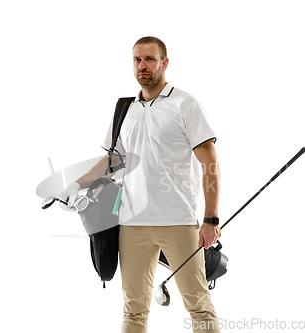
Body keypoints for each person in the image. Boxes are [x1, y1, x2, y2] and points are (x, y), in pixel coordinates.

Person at [60, 36, 222, 333]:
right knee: (134, 310)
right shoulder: (125, 109)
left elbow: (210, 164)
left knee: (198, 305)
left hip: (178, 223)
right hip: (131, 224)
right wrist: (75, 185)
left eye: (149, 59)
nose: (142, 66)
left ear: (164, 62)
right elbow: (113, 161)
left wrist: (211, 219)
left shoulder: (185, 105)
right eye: (137, 60)